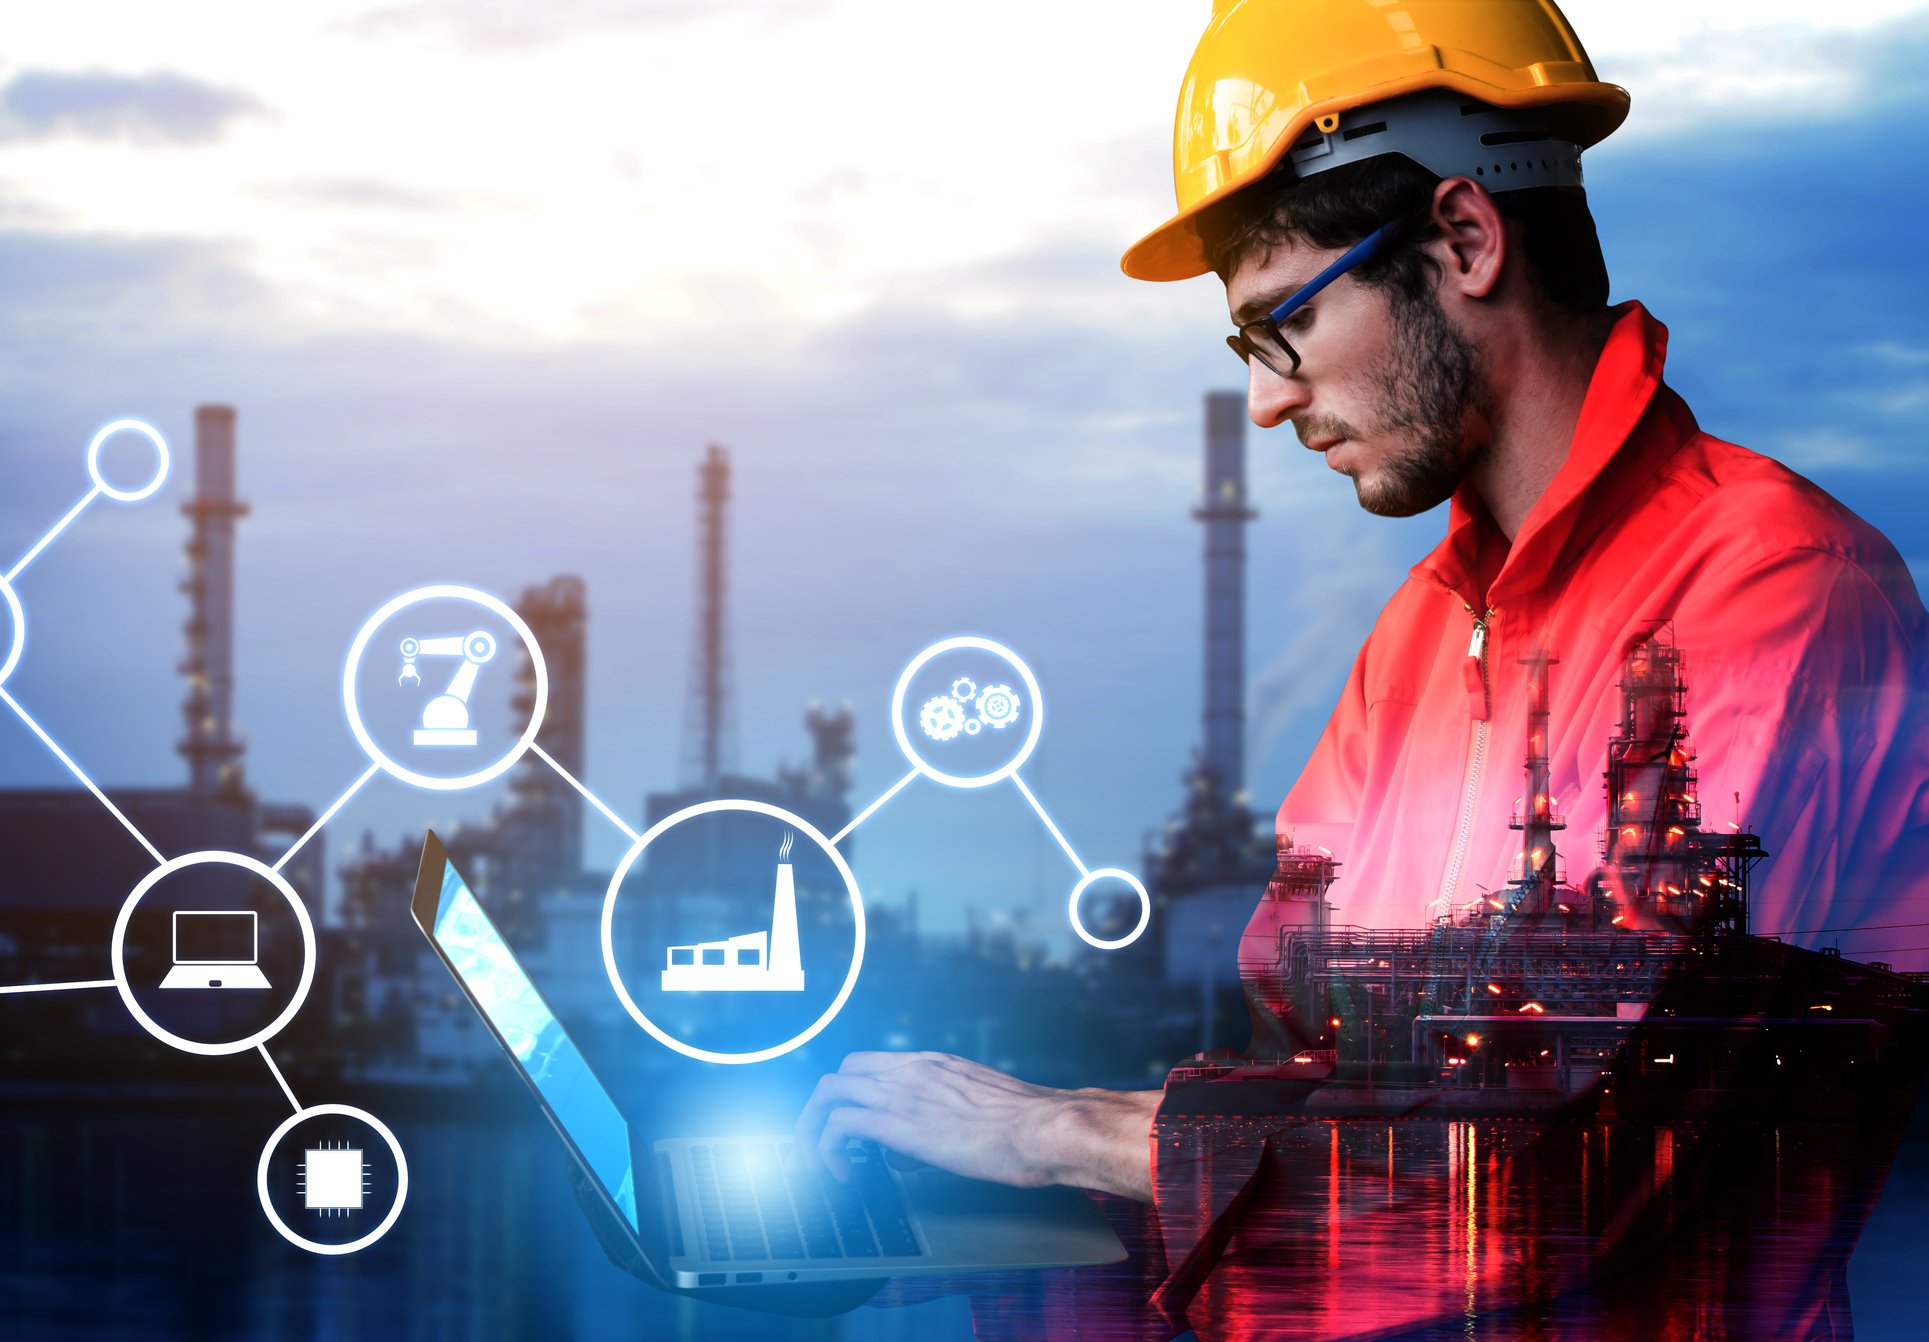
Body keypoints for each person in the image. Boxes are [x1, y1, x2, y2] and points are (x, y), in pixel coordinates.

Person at [795, 1, 1929, 1335]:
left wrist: (1066, 1135)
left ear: (1462, 236)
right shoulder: (1416, 641)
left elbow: (1574, 1167)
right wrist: (949, 1218)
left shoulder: (1776, 594)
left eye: (1282, 323)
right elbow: (1326, 1122)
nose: (1269, 399)